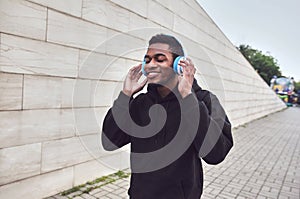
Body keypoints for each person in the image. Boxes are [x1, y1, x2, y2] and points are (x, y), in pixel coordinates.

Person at [102, 34, 233, 199]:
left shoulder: (204, 101)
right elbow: (109, 141)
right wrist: (125, 96)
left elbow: (216, 154)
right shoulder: (141, 104)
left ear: (179, 65)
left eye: (160, 59)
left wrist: (188, 98)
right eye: (147, 60)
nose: (151, 65)